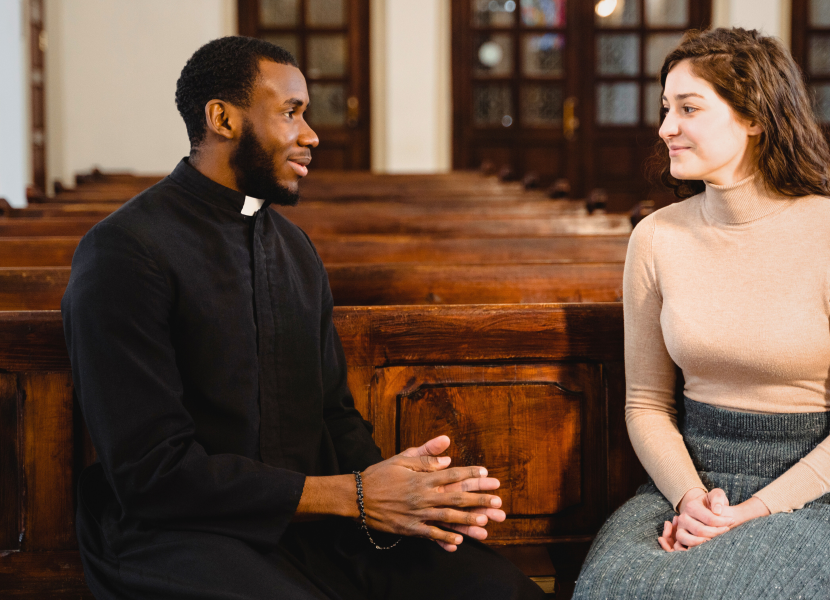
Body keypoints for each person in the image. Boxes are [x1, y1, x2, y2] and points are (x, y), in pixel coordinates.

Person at [61, 36, 543, 600]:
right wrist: (356, 496)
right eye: (291, 113)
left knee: (497, 590)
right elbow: (150, 475)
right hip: (176, 533)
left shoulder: (294, 249)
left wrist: (410, 497)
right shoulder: (124, 251)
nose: (311, 135)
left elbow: (334, 417)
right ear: (222, 118)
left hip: (316, 521)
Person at [573, 28, 830, 599]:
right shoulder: (655, 238)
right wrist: (689, 499)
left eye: (688, 108)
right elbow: (646, 403)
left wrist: (753, 510)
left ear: (754, 117)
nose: (665, 127)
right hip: (689, 481)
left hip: (819, 492)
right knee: (610, 586)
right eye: (665, 108)